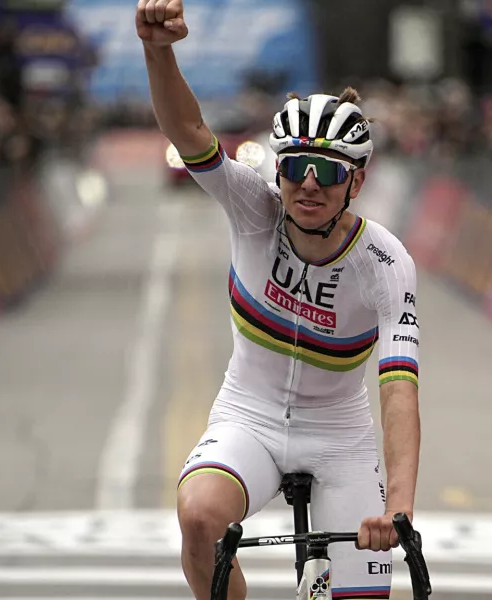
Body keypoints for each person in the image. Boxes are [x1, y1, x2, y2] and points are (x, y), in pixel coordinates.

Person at [136, 2, 422, 599]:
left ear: (357, 182)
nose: (309, 184)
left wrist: (397, 509)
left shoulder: (386, 263)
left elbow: (398, 389)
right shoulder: (252, 207)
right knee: (197, 518)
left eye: (328, 170)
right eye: (295, 167)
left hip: (340, 433)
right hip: (251, 416)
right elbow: (188, 131)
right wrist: (158, 50)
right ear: (279, 170)